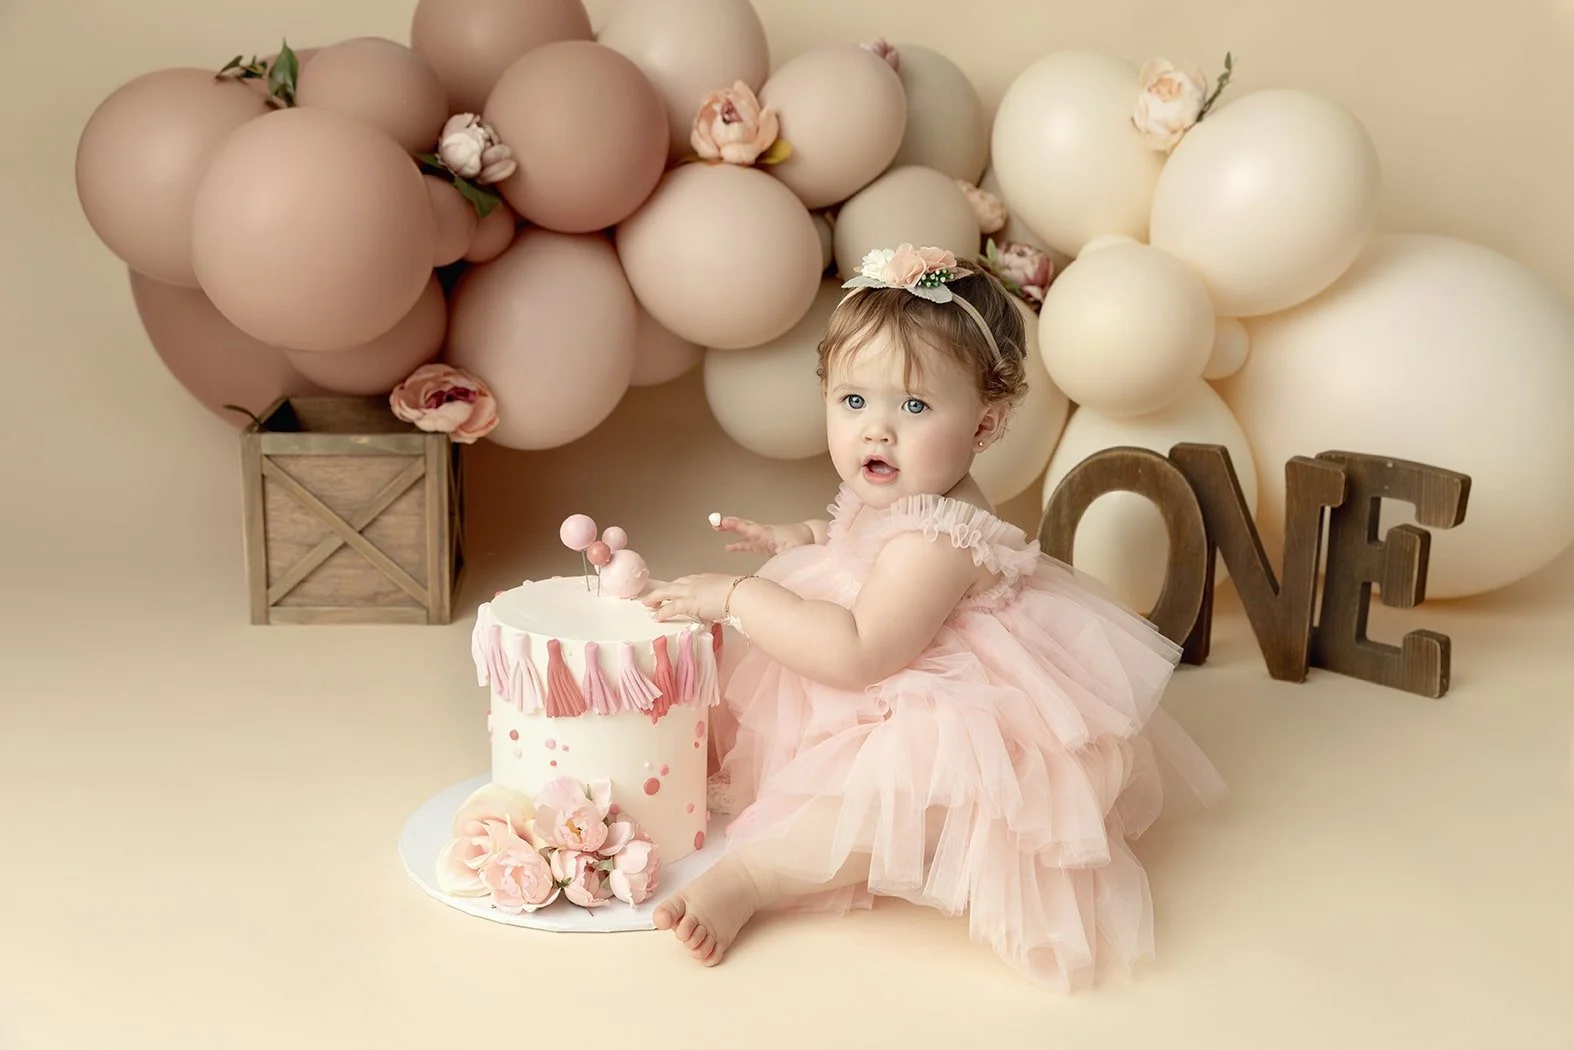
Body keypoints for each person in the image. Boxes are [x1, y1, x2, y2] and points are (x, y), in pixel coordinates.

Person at [641, 244, 1224, 992]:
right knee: (776, 702)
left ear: (985, 425)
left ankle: (753, 879)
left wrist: (738, 597)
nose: (876, 432)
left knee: (897, 784)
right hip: (887, 637)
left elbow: (857, 651)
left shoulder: (936, 539)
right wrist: (804, 539)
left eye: (913, 407)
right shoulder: (905, 493)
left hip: (936, 687)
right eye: (854, 402)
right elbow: (861, 534)